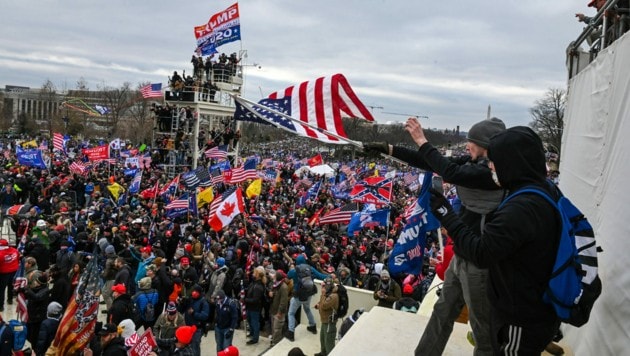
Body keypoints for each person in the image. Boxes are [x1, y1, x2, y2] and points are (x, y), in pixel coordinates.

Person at [363, 116, 506, 356]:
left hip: (480, 263)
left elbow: (448, 170)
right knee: (441, 314)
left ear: (485, 146)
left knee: (484, 331)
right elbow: (431, 162)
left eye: (471, 141)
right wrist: (388, 149)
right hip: (461, 255)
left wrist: (421, 138)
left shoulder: (493, 173)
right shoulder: (476, 163)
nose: (467, 146)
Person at [428, 126, 563, 354]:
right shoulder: (544, 189)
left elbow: (481, 253)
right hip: (534, 306)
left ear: (512, 162)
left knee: (489, 345)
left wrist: (446, 214)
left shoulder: (521, 207)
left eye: (495, 161)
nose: (490, 166)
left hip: (522, 314)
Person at [285, 254, 328, 342]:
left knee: (291, 313)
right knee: (307, 309)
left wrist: (291, 269)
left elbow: (288, 276)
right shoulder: (310, 268)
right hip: (309, 294)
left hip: (298, 296)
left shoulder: (295, 270)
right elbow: (320, 276)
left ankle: (291, 332)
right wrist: (330, 276)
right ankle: (313, 326)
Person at [314, 278, 339, 356]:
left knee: (329, 343)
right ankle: (323, 353)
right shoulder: (328, 293)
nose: (322, 288)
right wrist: (318, 304)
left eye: (324, 286)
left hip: (329, 323)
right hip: (324, 321)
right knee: (322, 339)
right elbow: (322, 302)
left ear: (328, 287)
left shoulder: (333, 296)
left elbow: (324, 305)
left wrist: (323, 294)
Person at [182, 285, 208, 355]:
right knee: (188, 348)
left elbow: (205, 316)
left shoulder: (203, 302)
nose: (194, 293)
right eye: (193, 291)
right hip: (188, 328)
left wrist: (194, 313)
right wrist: (182, 303)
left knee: (195, 347)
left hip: (197, 329)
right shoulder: (190, 300)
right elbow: (180, 310)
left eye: (196, 291)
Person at [244, 266, 266, 345]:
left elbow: (255, 300)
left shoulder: (259, 286)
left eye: (254, 273)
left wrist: (245, 300)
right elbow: (249, 289)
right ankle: (252, 333)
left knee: (255, 323)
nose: (252, 274)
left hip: (255, 308)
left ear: (258, 275)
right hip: (250, 307)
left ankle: (255, 338)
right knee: (250, 321)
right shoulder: (254, 282)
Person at [269, 269, 289, 346]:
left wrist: (280, 312)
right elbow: (275, 295)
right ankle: (274, 340)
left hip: (278, 312)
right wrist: (271, 294)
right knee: (274, 328)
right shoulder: (275, 285)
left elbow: (283, 302)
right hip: (274, 309)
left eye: (275, 275)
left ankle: (275, 343)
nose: (273, 276)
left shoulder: (284, 287)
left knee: (277, 329)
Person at [0, 239, 18, 312]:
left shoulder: (1, 254)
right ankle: (10, 300)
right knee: (11, 286)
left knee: (1, 289)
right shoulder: (15, 250)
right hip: (14, 271)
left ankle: (1, 305)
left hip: (3, 273)